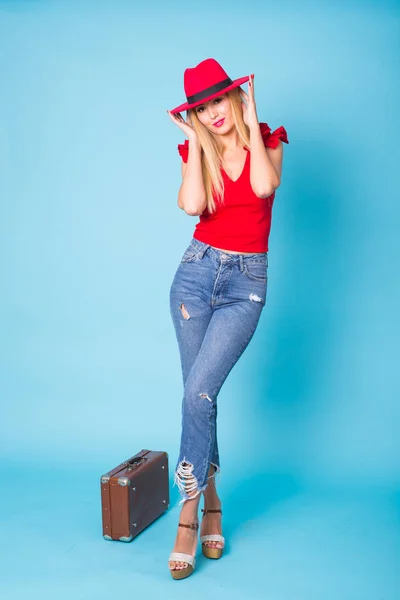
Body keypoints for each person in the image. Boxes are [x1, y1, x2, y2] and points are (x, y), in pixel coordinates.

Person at [166, 58, 289, 579]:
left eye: (218, 100)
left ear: (234, 98)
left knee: (198, 395)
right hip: (195, 277)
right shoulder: (197, 150)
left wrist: (252, 114)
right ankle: (211, 501)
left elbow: (263, 188)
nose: (213, 113)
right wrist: (196, 140)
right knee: (201, 394)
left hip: (245, 287)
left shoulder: (269, 141)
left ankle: (188, 509)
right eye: (201, 107)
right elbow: (191, 204)